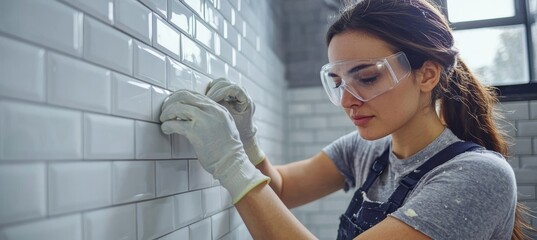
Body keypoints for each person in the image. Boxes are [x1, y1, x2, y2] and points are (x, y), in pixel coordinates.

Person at [159, 0, 535, 239]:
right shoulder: (367, 149)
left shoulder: (478, 176)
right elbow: (284, 189)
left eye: (367, 77)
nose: (347, 100)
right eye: (338, 82)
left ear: (427, 75)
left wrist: (231, 164)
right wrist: (247, 141)